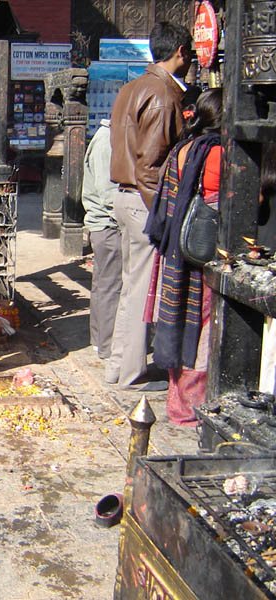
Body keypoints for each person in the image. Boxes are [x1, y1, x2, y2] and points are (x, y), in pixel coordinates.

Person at [106, 21, 193, 390]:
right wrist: (164, 212)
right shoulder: (162, 93)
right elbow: (150, 164)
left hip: (127, 196)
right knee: (141, 289)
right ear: (181, 53)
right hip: (143, 198)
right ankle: (131, 373)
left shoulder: (132, 87)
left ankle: (120, 367)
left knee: (132, 287)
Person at [145, 89, 222, 425]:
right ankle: (190, 407)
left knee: (180, 324)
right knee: (201, 329)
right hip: (198, 253)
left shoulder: (184, 147)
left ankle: (178, 402)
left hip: (176, 247)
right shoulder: (217, 152)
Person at [82, 118, 120, 360]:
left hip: (104, 223)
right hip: (107, 224)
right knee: (110, 286)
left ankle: (100, 341)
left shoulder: (107, 138)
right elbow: (109, 193)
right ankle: (106, 344)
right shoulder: (107, 140)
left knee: (104, 285)